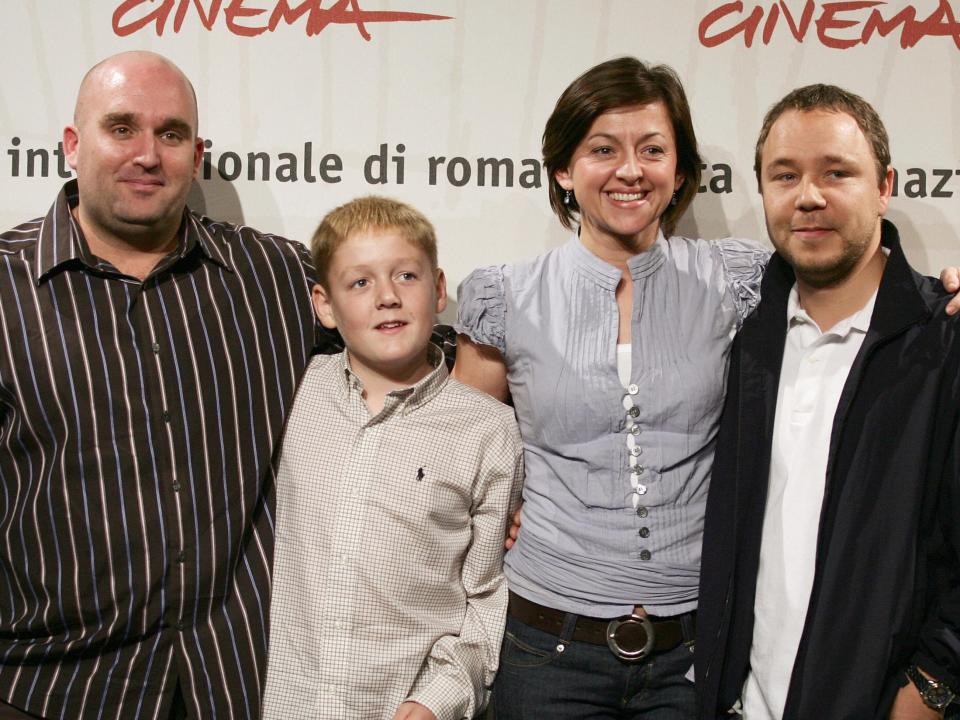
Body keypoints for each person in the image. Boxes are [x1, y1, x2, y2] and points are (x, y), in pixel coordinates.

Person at [0, 51, 321, 719]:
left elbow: (421, 363)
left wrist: (500, 486)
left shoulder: (277, 277)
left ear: (196, 154)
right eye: (122, 128)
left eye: (171, 134)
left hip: (242, 682)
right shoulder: (5, 287)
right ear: (71, 144)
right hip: (54, 687)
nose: (148, 154)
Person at [695, 85, 960, 719]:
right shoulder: (744, 338)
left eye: (836, 173)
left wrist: (931, 687)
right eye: (784, 175)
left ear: (885, 185)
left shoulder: (943, 342)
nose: (808, 196)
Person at [261, 196, 524, 720]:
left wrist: (439, 698)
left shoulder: (488, 429)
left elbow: (486, 594)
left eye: (406, 275)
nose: (387, 297)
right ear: (325, 305)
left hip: (397, 707)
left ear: (439, 289)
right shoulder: (291, 391)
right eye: (360, 282)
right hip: (284, 702)